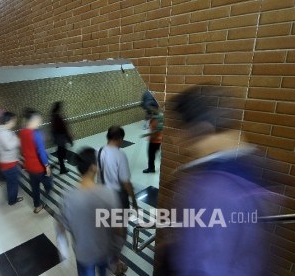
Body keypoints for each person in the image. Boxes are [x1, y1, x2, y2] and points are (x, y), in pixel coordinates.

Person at [154, 85, 270, 276]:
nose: (176, 140)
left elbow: (203, 267)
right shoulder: (255, 165)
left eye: (179, 130)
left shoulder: (210, 188)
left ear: (202, 129)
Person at [57, 147, 125, 276]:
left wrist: (63, 250)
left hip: (83, 254)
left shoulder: (67, 197)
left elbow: (60, 227)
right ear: (93, 167)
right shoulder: (108, 194)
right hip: (104, 251)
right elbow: (118, 229)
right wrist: (116, 251)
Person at [97, 126, 136, 274]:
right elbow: (126, 183)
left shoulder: (99, 151)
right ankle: (114, 262)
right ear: (119, 139)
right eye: (122, 140)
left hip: (102, 196)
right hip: (117, 199)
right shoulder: (120, 156)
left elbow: (98, 177)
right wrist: (135, 202)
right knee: (121, 232)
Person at [19, 108, 53, 214]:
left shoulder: (22, 132)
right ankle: (44, 201)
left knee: (35, 187)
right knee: (49, 184)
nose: (40, 122)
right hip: (39, 167)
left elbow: (23, 149)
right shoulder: (36, 134)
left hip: (29, 166)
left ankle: (37, 206)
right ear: (33, 120)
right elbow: (41, 152)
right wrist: (46, 166)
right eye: (39, 120)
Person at [0, 112, 24, 205]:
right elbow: (9, 146)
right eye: (14, 121)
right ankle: (12, 200)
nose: (15, 123)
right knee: (13, 183)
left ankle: (11, 198)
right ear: (9, 121)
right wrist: (17, 139)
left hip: (5, 162)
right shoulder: (4, 132)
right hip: (9, 163)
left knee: (11, 182)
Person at [50, 101, 73, 174]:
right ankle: (62, 168)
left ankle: (61, 162)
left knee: (61, 151)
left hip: (57, 137)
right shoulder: (58, 117)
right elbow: (64, 129)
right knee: (61, 151)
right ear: (59, 108)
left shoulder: (53, 116)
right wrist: (69, 139)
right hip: (61, 137)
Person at [142, 106, 163, 173]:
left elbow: (158, 130)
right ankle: (152, 167)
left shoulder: (157, 118)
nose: (151, 111)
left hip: (155, 140)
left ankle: (151, 168)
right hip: (157, 140)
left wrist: (147, 135)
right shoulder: (158, 116)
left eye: (152, 109)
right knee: (153, 154)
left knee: (151, 155)